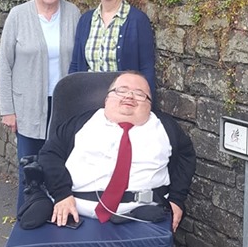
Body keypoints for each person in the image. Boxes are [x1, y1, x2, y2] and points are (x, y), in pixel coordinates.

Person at [38, 71, 196, 233]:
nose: (129, 96)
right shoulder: (80, 124)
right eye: (121, 90)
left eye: (139, 94)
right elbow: (49, 154)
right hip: (76, 215)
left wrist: (177, 199)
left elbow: (186, 157)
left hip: (142, 217)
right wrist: (61, 194)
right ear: (107, 98)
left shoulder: (166, 128)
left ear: (150, 104)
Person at [0, 0, 80, 210]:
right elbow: (4, 64)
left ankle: (59, 218)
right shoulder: (18, 16)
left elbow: (79, 60)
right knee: (29, 167)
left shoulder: (73, 13)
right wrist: (8, 109)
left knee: (63, 164)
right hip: (29, 105)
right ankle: (26, 217)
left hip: (64, 106)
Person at [68, 0, 156, 101]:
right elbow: (76, 66)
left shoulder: (138, 21)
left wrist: (146, 102)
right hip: (88, 101)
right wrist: (72, 100)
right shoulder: (85, 20)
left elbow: (147, 68)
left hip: (124, 103)